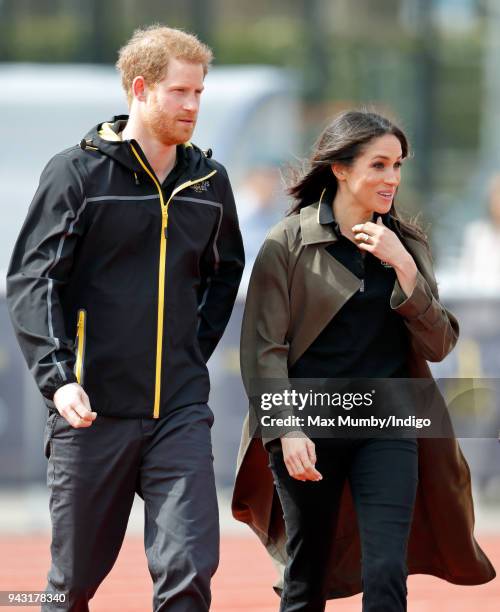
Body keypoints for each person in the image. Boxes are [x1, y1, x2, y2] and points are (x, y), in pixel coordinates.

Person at [6, 25, 244, 612]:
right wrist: (59, 379)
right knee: (70, 588)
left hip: (180, 411)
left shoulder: (209, 184)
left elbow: (224, 274)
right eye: (180, 92)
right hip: (92, 412)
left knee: (188, 569)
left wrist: (191, 349)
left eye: (199, 93)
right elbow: (33, 281)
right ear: (141, 89)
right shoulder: (77, 175)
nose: (192, 106)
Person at [232, 110, 495, 611]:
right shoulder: (285, 242)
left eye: (397, 165)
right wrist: (286, 431)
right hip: (307, 424)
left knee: (386, 568)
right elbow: (264, 350)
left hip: (389, 421)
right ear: (341, 169)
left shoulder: (408, 244)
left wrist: (402, 267)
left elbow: (440, 343)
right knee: (307, 572)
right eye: (378, 165)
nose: (392, 178)